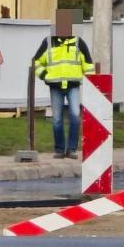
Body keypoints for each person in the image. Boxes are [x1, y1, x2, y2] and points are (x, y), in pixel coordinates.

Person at [33, 29, 94, 159]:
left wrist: (92, 85)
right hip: (55, 85)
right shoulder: (48, 42)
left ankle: (71, 150)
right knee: (57, 119)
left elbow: (88, 64)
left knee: (75, 116)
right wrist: (45, 75)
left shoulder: (78, 42)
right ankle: (60, 150)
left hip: (73, 85)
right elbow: (36, 62)